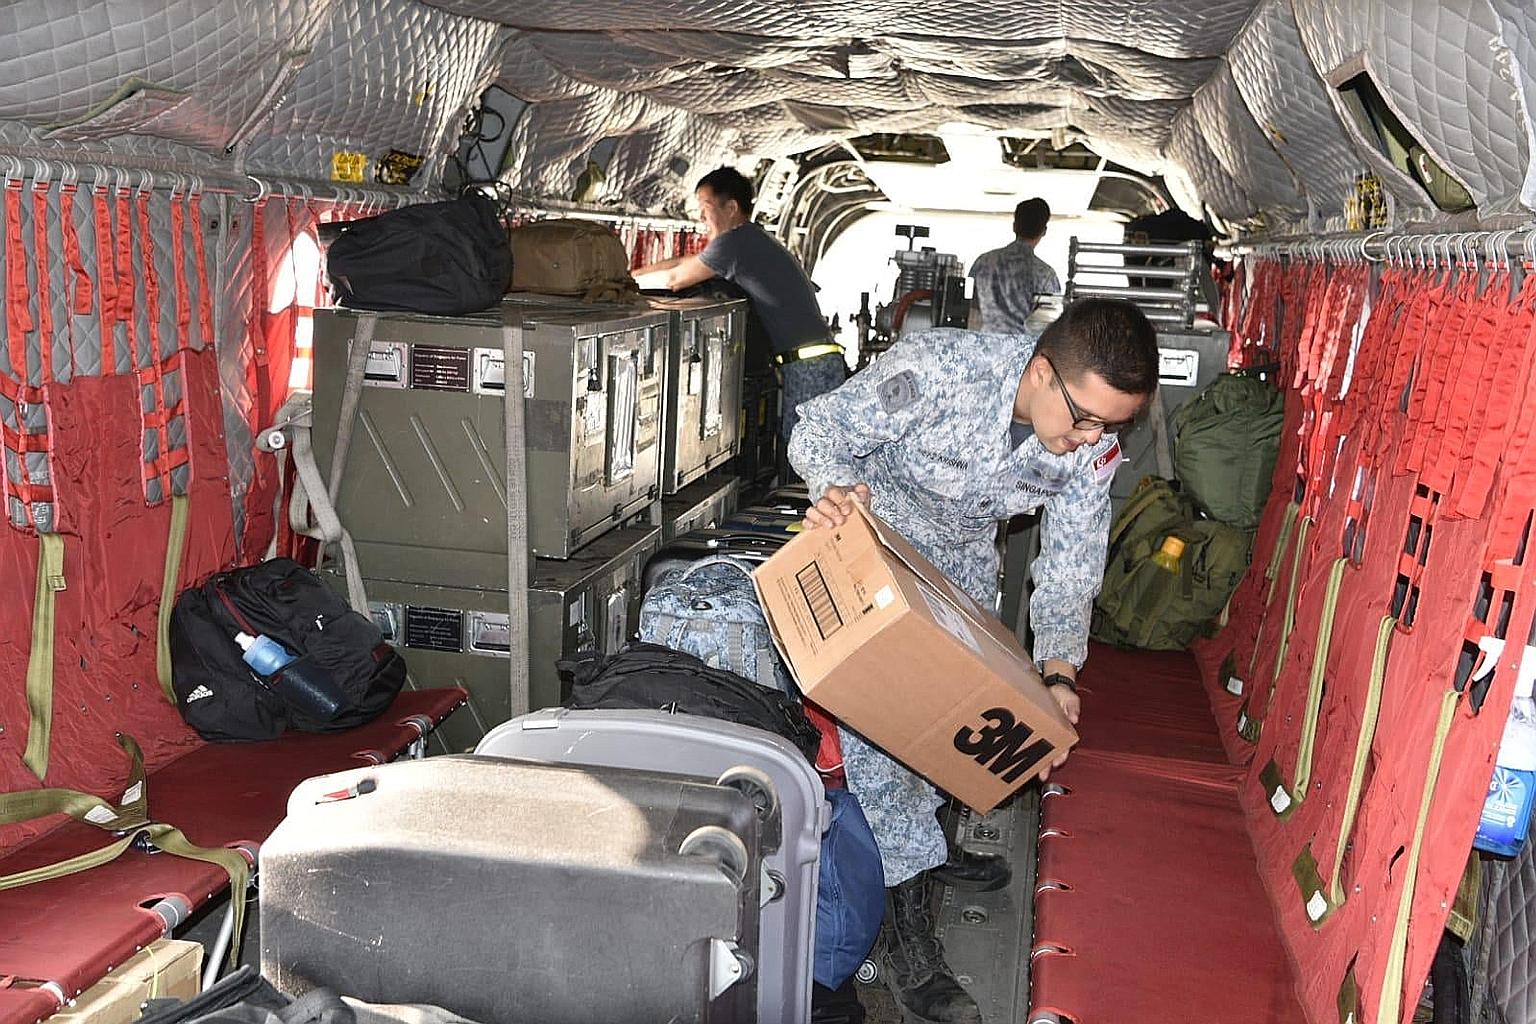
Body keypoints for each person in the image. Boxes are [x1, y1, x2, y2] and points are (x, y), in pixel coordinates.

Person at [788, 298, 1158, 1024]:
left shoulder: (1090, 446)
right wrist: (833, 492)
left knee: (952, 734)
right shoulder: (939, 370)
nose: (1090, 439)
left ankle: (922, 846)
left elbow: (1073, 558)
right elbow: (820, 428)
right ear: (1041, 373)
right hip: (875, 557)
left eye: (1110, 427)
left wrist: (1059, 673)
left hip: (957, 580)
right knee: (887, 748)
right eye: (1084, 418)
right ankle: (903, 942)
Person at [632, 167, 846, 469]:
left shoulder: (734, 244)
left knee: (807, 457)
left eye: (705, 210)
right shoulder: (750, 240)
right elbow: (687, 262)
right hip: (815, 362)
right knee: (807, 452)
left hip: (809, 367)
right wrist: (634, 273)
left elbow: (674, 280)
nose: (702, 220)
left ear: (731, 207)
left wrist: (624, 283)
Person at [968, 197, 1061, 333]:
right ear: (1044, 231)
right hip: (1023, 351)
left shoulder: (983, 262)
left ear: (1014, 226)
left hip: (983, 347)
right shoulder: (1046, 274)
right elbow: (1048, 324)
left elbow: (972, 312)